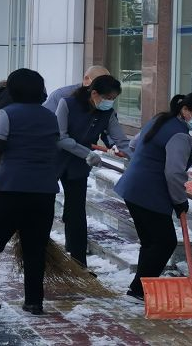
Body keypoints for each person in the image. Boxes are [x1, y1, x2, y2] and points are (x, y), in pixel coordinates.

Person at [0, 68, 60, 316]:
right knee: (35, 247)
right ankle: (34, 301)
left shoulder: (8, 113)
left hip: (11, 188)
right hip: (44, 190)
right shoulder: (50, 116)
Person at [114, 92, 192, 301]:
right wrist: (179, 201)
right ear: (186, 110)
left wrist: (147, 162)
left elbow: (133, 146)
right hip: (150, 193)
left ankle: (139, 288)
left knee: (151, 242)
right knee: (164, 242)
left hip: (132, 187)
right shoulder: (180, 135)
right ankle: (139, 290)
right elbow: (174, 173)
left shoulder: (159, 120)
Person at [55, 75, 131, 267]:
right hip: (54, 161)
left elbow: (120, 140)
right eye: (108, 97)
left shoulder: (107, 112)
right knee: (45, 207)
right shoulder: (67, 104)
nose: (110, 102)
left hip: (78, 166)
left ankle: (78, 262)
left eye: (114, 98)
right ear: (94, 93)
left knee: (76, 211)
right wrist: (86, 153)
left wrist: (131, 155)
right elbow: (60, 137)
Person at [42, 65, 110, 112]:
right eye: (99, 84)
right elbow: (46, 119)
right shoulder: (61, 95)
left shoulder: (106, 99)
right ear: (86, 79)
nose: (103, 89)